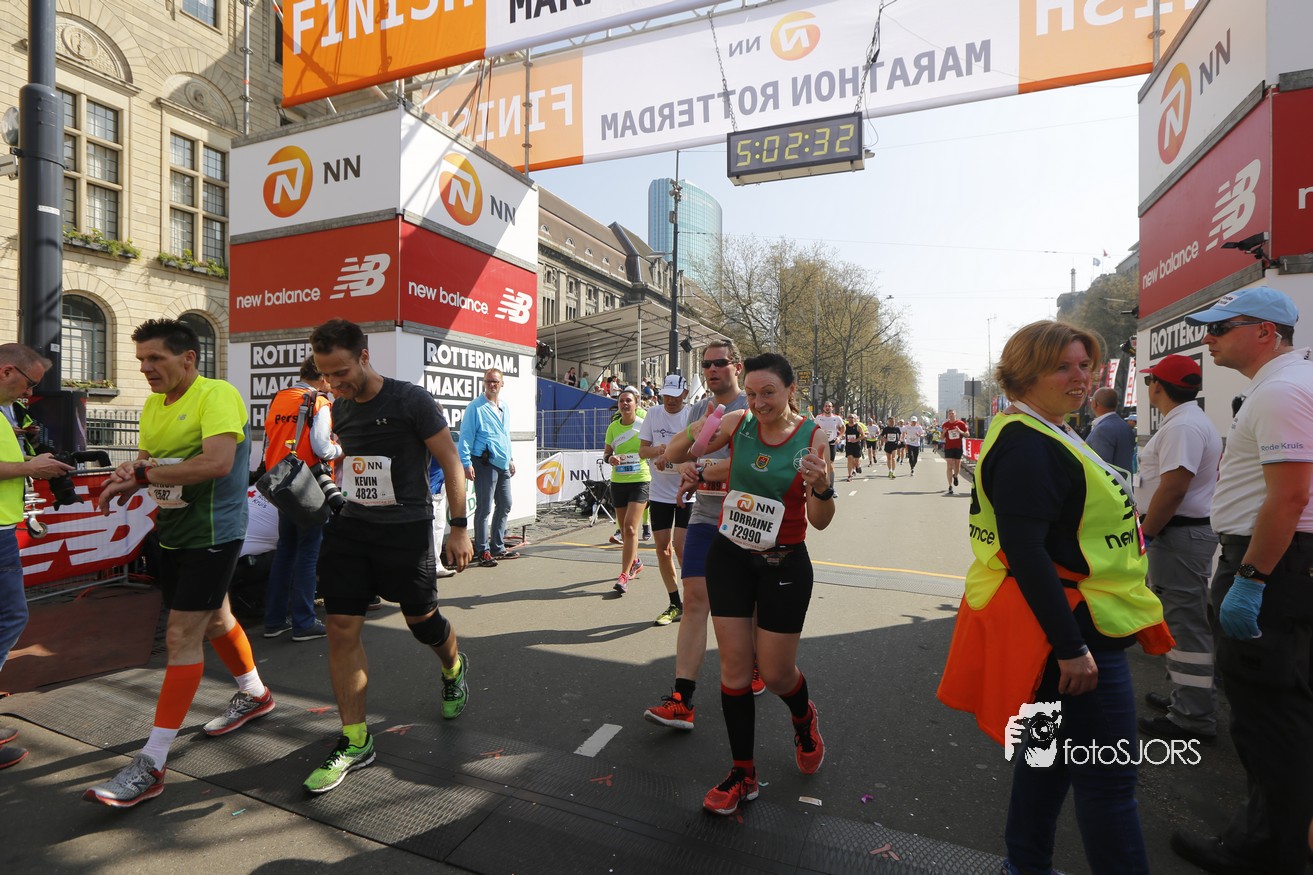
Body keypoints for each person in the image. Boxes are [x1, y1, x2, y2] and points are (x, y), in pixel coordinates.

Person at [937, 320, 1171, 874]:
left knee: (1045, 761)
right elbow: (1026, 551)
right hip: (1074, 634)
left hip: (1065, 627)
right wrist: (1070, 648)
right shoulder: (1030, 444)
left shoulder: (1045, 429)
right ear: (1024, 374)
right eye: (1062, 367)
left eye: (1085, 365)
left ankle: (1024, 864)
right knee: (1110, 782)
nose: (1080, 377)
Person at [85, 320, 272, 807]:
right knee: (218, 618)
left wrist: (143, 474)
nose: (145, 369)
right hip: (172, 532)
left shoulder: (216, 395)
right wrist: (128, 473)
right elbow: (148, 463)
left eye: (156, 359)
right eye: (141, 360)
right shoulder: (153, 404)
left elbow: (217, 464)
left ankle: (152, 763)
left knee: (180, 636)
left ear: (188, 358)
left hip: (216, 533)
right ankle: (255, 694)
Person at [1168, 287, 1313, 874]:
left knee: (1268, 716)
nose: (1209, 338)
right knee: (1288, 710)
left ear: (1265, 333)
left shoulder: (1280, 391)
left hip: (1272, 562)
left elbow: (1290, 496)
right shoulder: (1290, 385)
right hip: (1285, 561)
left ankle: (1266, 852)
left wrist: (1251, 579)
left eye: (1221, 327)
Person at [305, 318, 473, 794]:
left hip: (406, 529)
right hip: (353, 528)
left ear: (364, 356)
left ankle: (453, 667)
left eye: (340, 372)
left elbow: (451, 461)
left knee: (422, 623)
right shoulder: (339, 407)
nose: (334, 383)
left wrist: (458, 527)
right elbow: (353, 459)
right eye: (325, 374)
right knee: (340, 626)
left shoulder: (409, 400)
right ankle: (355, 740)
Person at [664, 352, 835, 816]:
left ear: (791, 391)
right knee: (735, 669)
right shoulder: (736, 422)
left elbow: (821, 520)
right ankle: (743, 773)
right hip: (731, 558)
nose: (758, 403)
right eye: (754, 393)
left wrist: (822, 486)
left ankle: (804, 717)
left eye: (769, 393)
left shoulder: (812, 438)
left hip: (784, 565)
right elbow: (675, 455)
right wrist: (700, 433)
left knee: (776, 674)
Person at [643, 340, 755, 730]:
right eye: (706, 364)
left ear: (737, 366)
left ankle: (756, 661)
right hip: (705, 516)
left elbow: (749, 465)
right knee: (694, 601)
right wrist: (685, 463)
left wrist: (703, 468)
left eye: (720, 363)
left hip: (746, 519)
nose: (711, 370)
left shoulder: (752, 407)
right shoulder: (698, 409)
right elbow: (682, 454)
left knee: (746, 604)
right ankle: (682, 700)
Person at [1135, 354, 1221, 744]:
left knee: (1186, 626)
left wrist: (1146, 535)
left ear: (1157, 386)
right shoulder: (1187, 421)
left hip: (1177, 536)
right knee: (1180, 621)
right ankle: (1185, 699)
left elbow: (1173, 489)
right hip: (1182, 535)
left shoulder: (1182, 426)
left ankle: (1192, 716)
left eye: (1150, 381)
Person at [0, 345, 75, 770]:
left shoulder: (5, 411)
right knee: (10, 618)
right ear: (6, 370)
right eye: (28, 384)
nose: (29, 394)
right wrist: (31, 468)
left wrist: (32, 462)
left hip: (2, 530)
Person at [261, 355, 342, 641]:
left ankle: (274, 620)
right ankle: (304, 622)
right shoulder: (319, 402)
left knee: (285, 550)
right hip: (309, 484)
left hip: (282, 482)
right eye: (329, 377)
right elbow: (322, 447)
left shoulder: (279, 398)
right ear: (322, 377)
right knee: (308, 552)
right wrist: (340, 449)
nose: (332, 383)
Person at [638, 374, 693, 626]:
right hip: (659, 493)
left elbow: (698, 452)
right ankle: (674, 602)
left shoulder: (691, 415)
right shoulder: (653, 414)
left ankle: (693, 599)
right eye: (666, 395)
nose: (670, 400)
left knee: (681, 548)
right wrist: (659, 450)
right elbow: (642, 450)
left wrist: (672, 454)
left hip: (686, 492)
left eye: (675, 395)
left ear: (685, 393)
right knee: (663, 549)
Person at [459, 368, 518, 568]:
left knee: (505, 504)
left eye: (495, 381)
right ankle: (483, 550)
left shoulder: (505, 407)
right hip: (484, 463)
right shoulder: (475, 407)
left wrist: (510, 458)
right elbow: (465, 436)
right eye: (488, 381)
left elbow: (505, 435)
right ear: (484, 383)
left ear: (502, 384)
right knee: (484, 508)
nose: (492, 385)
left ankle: (497, 546)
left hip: (502, 463)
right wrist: (466, 463)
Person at [604, 386, 650, 593]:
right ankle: (636, 561)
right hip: (618, 482)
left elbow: (652, 448)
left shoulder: (644, 424)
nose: (624, 404)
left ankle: (624, 575)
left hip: (640, 480)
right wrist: (611, 459)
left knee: (631, 528)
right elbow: (606, 454)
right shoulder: (613, 428)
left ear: (636, 403)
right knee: (624, 530)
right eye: (621, 401)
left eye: (628, 400)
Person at [1085, 387, 1135, 474]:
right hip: (1124, 480)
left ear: (1095, 403)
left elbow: (1101, 468)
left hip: (1107, 482)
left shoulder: (1102, 429)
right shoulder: (1125, 426)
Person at [814, 401, 843, 485]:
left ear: (832, 408)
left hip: (831, 442)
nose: (827, 408)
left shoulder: (837, 418)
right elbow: (813, 428)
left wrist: (839, 437)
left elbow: (843, 428)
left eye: (829, 406)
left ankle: (831, 486)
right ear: (823, 408)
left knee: (830, 464)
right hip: (821, 443)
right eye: (826, 406)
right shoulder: (819, 417)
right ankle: (822, 483)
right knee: (821, 463)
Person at [941, 409, 969, 494]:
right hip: (949, 448)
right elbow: (942, 438)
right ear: (948, 415)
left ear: (955, 414)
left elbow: (967, 434)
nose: (951, 415)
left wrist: (960, 431)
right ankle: (950, 486)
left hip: (958, 447)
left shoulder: (961, 423)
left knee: (957, 466)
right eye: (950, 414)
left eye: (952, 413)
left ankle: (955, 476)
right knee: (949, 466)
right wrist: (944, 432)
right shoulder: (945, 425)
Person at [842, 413, 865, 481]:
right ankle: (850, 475)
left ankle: (857, 466)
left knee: (856, 460)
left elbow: (863, 435)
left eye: (852, 417)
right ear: (847, 419)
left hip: (856, 445)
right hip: (849, 445)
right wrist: (842, 436)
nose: (850, 419)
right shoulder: (845, 426)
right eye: (849, 417)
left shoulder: (858, 426)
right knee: (850, 458)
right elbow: (842, 433)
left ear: (854, 419)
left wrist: (856, 440)